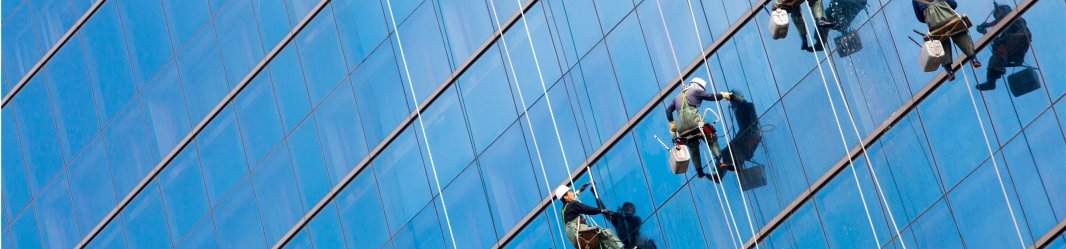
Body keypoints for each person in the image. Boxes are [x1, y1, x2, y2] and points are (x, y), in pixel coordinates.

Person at [665, 78, 734, 180]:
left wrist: (672, 124)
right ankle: (721, 161)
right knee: (711, 139)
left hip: (682, 128)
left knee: (693, 148)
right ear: (697, 85)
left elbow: (668, 110)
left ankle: (699, 171)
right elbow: (710, 96)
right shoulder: (695, 91)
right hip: (694, 122)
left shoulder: (677, 97)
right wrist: (723, 95)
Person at [913, 0, 982, 81]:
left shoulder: (915, 1)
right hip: (950, 19)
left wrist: (932, 16)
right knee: (961, 35)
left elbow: (920, 18)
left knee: (941, 43)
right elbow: (953, 4)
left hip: (935, 25)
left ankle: (949, 71)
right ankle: (973, 59)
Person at [975, 3, 1030, 91]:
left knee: (1000, 45)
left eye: (997, 14)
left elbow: (1003, 17)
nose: (996, 17)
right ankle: (991, 82)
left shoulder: (1010, 14)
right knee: (994, 58)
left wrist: (987, 25)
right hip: (1015, 44)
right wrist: (985, 32)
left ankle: (1008, 63)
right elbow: (997, 39)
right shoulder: (1006, 29)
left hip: (1020, 36)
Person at [555, 186, 625, 249]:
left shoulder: (563, 209)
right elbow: (587, 209)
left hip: (574, 237)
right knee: (605, 234)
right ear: (566, 197)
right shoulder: (573, 204)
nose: (572, 193)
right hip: (578, 232)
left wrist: (579, 191)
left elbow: (574, 196)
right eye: (570, 192)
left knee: (600, 244)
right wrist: (601, 210)